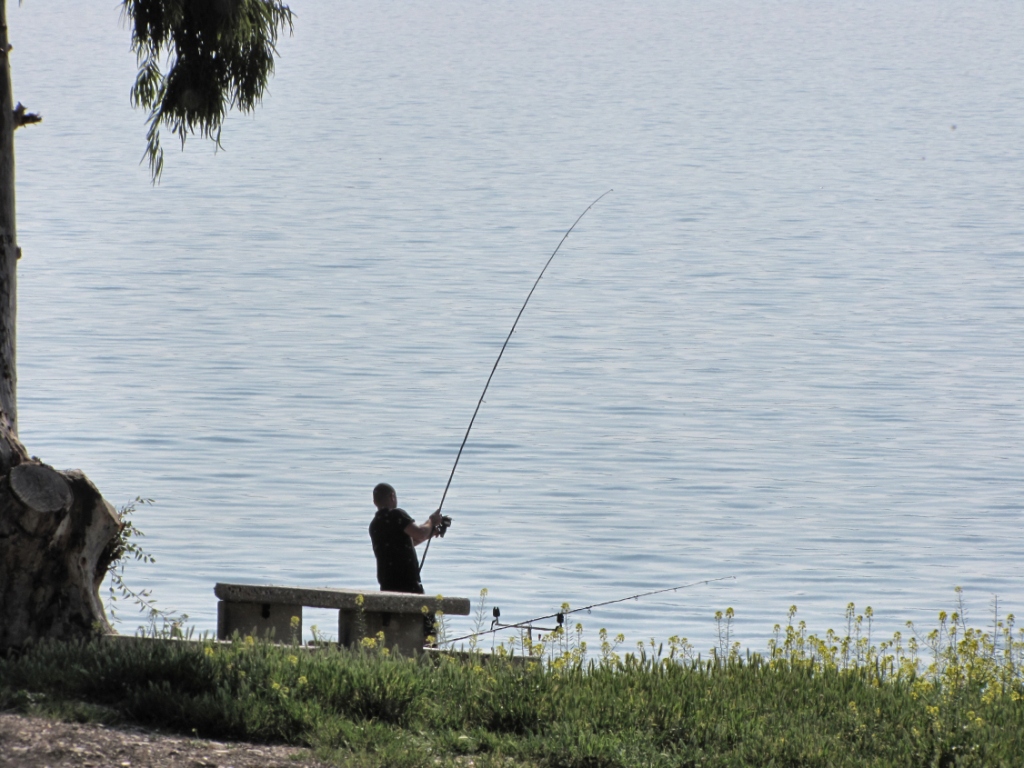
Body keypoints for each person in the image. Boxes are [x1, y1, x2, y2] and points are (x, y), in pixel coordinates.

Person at [368, 482, 445, 594]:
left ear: (374, 501)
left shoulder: (374, 525)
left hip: (386, 585)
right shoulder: (397, 515)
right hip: (407, 583)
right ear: (392, 497)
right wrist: (431, 521)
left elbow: (405, 542)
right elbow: (420, 533)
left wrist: (431, 533)